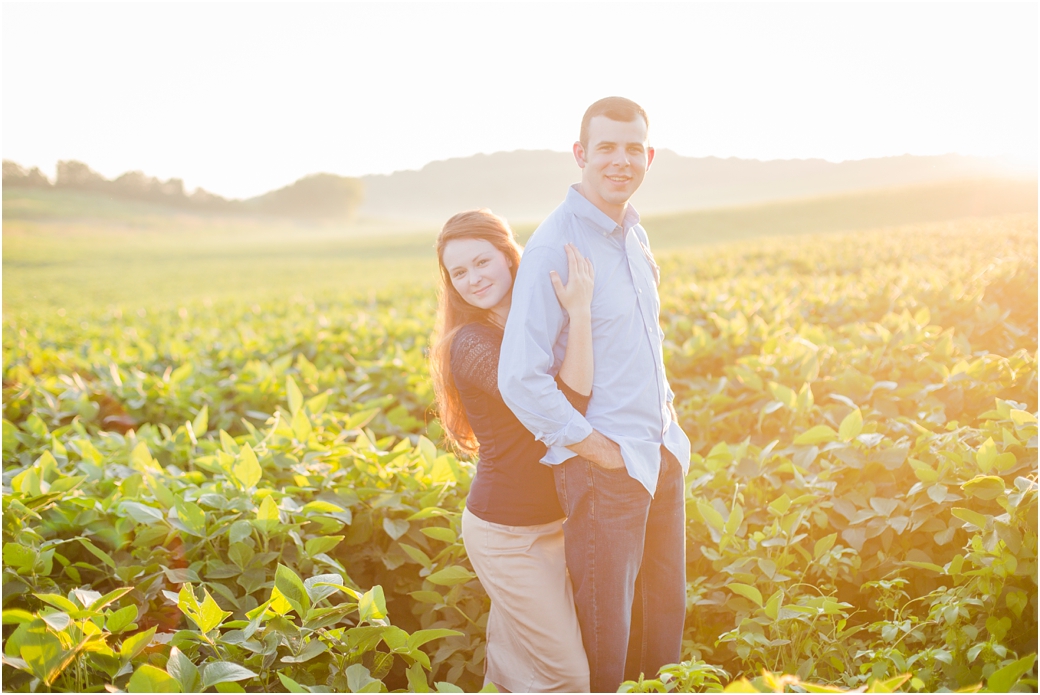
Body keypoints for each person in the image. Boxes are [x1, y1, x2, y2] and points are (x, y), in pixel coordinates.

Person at [498, 96, 692, 692]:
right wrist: (595, 449)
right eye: (606, 147)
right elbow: (519, 377)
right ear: (581, 154)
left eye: (634, 148)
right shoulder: (554, 245)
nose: (621, 160)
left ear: (649, 156)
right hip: (605, 470)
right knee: (607, 649)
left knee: (663, 632)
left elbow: (642, 344)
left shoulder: (635, 235)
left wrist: (670, 433)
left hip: (660, 457)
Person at [429, 208, 595, 693]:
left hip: (554, 525)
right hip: (506, 536)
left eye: (481, 262)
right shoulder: (472, 344)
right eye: (459, 272)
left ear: (508, 255)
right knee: (569, 676)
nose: (473, 279)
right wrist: (580, 311)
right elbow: (568, 406)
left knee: (515, 672)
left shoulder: (529, 323)